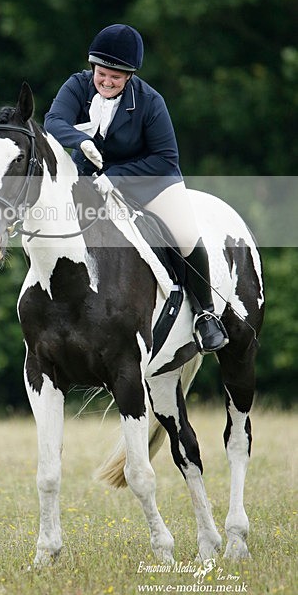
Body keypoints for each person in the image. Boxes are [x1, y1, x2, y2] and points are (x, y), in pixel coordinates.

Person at [44, 23, 228, 353]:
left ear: (129, 76)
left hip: (150, 181)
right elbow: (53, 121)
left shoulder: (149, 102)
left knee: (184, 234)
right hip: (88, 180)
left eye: (116, 76)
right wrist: (81, 141)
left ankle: (205, 314)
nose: (107, 81)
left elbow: (165, 157)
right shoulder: (77, 86)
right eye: (102, 72)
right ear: (92, 67)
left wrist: (116, 177)